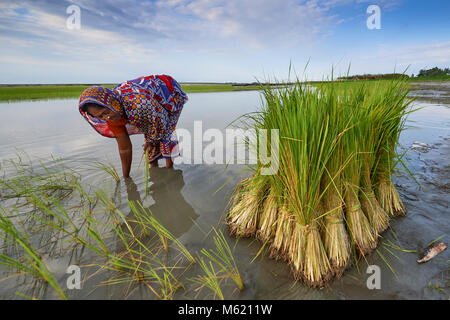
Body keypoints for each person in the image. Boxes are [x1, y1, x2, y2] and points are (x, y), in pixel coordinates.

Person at [78, 75, 188, 178]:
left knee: (166, 135)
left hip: (169, 92)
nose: (106, 118)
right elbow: (124, 148)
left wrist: (151, 141)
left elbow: (161, 121)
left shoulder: (140, 104)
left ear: (112, 103)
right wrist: (126, 177)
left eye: (106, 112)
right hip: (149, 107)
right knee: (150, 139)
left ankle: (170, 171)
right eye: (100, 116)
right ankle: (154, 169)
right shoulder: (111, 116)